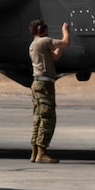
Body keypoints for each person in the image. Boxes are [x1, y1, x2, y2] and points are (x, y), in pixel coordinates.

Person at [28, 19, 72, 162]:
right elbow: (65, 43)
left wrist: (61, 46)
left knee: (38, 118)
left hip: (38, 83)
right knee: (48, 118)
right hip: (45, 85)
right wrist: (65, 32)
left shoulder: (35, 45)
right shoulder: (44, 41)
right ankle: (41, 152)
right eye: (44, 27)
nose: (47, 29)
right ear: (39, 30)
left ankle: (35, 152)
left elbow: (55, 56)